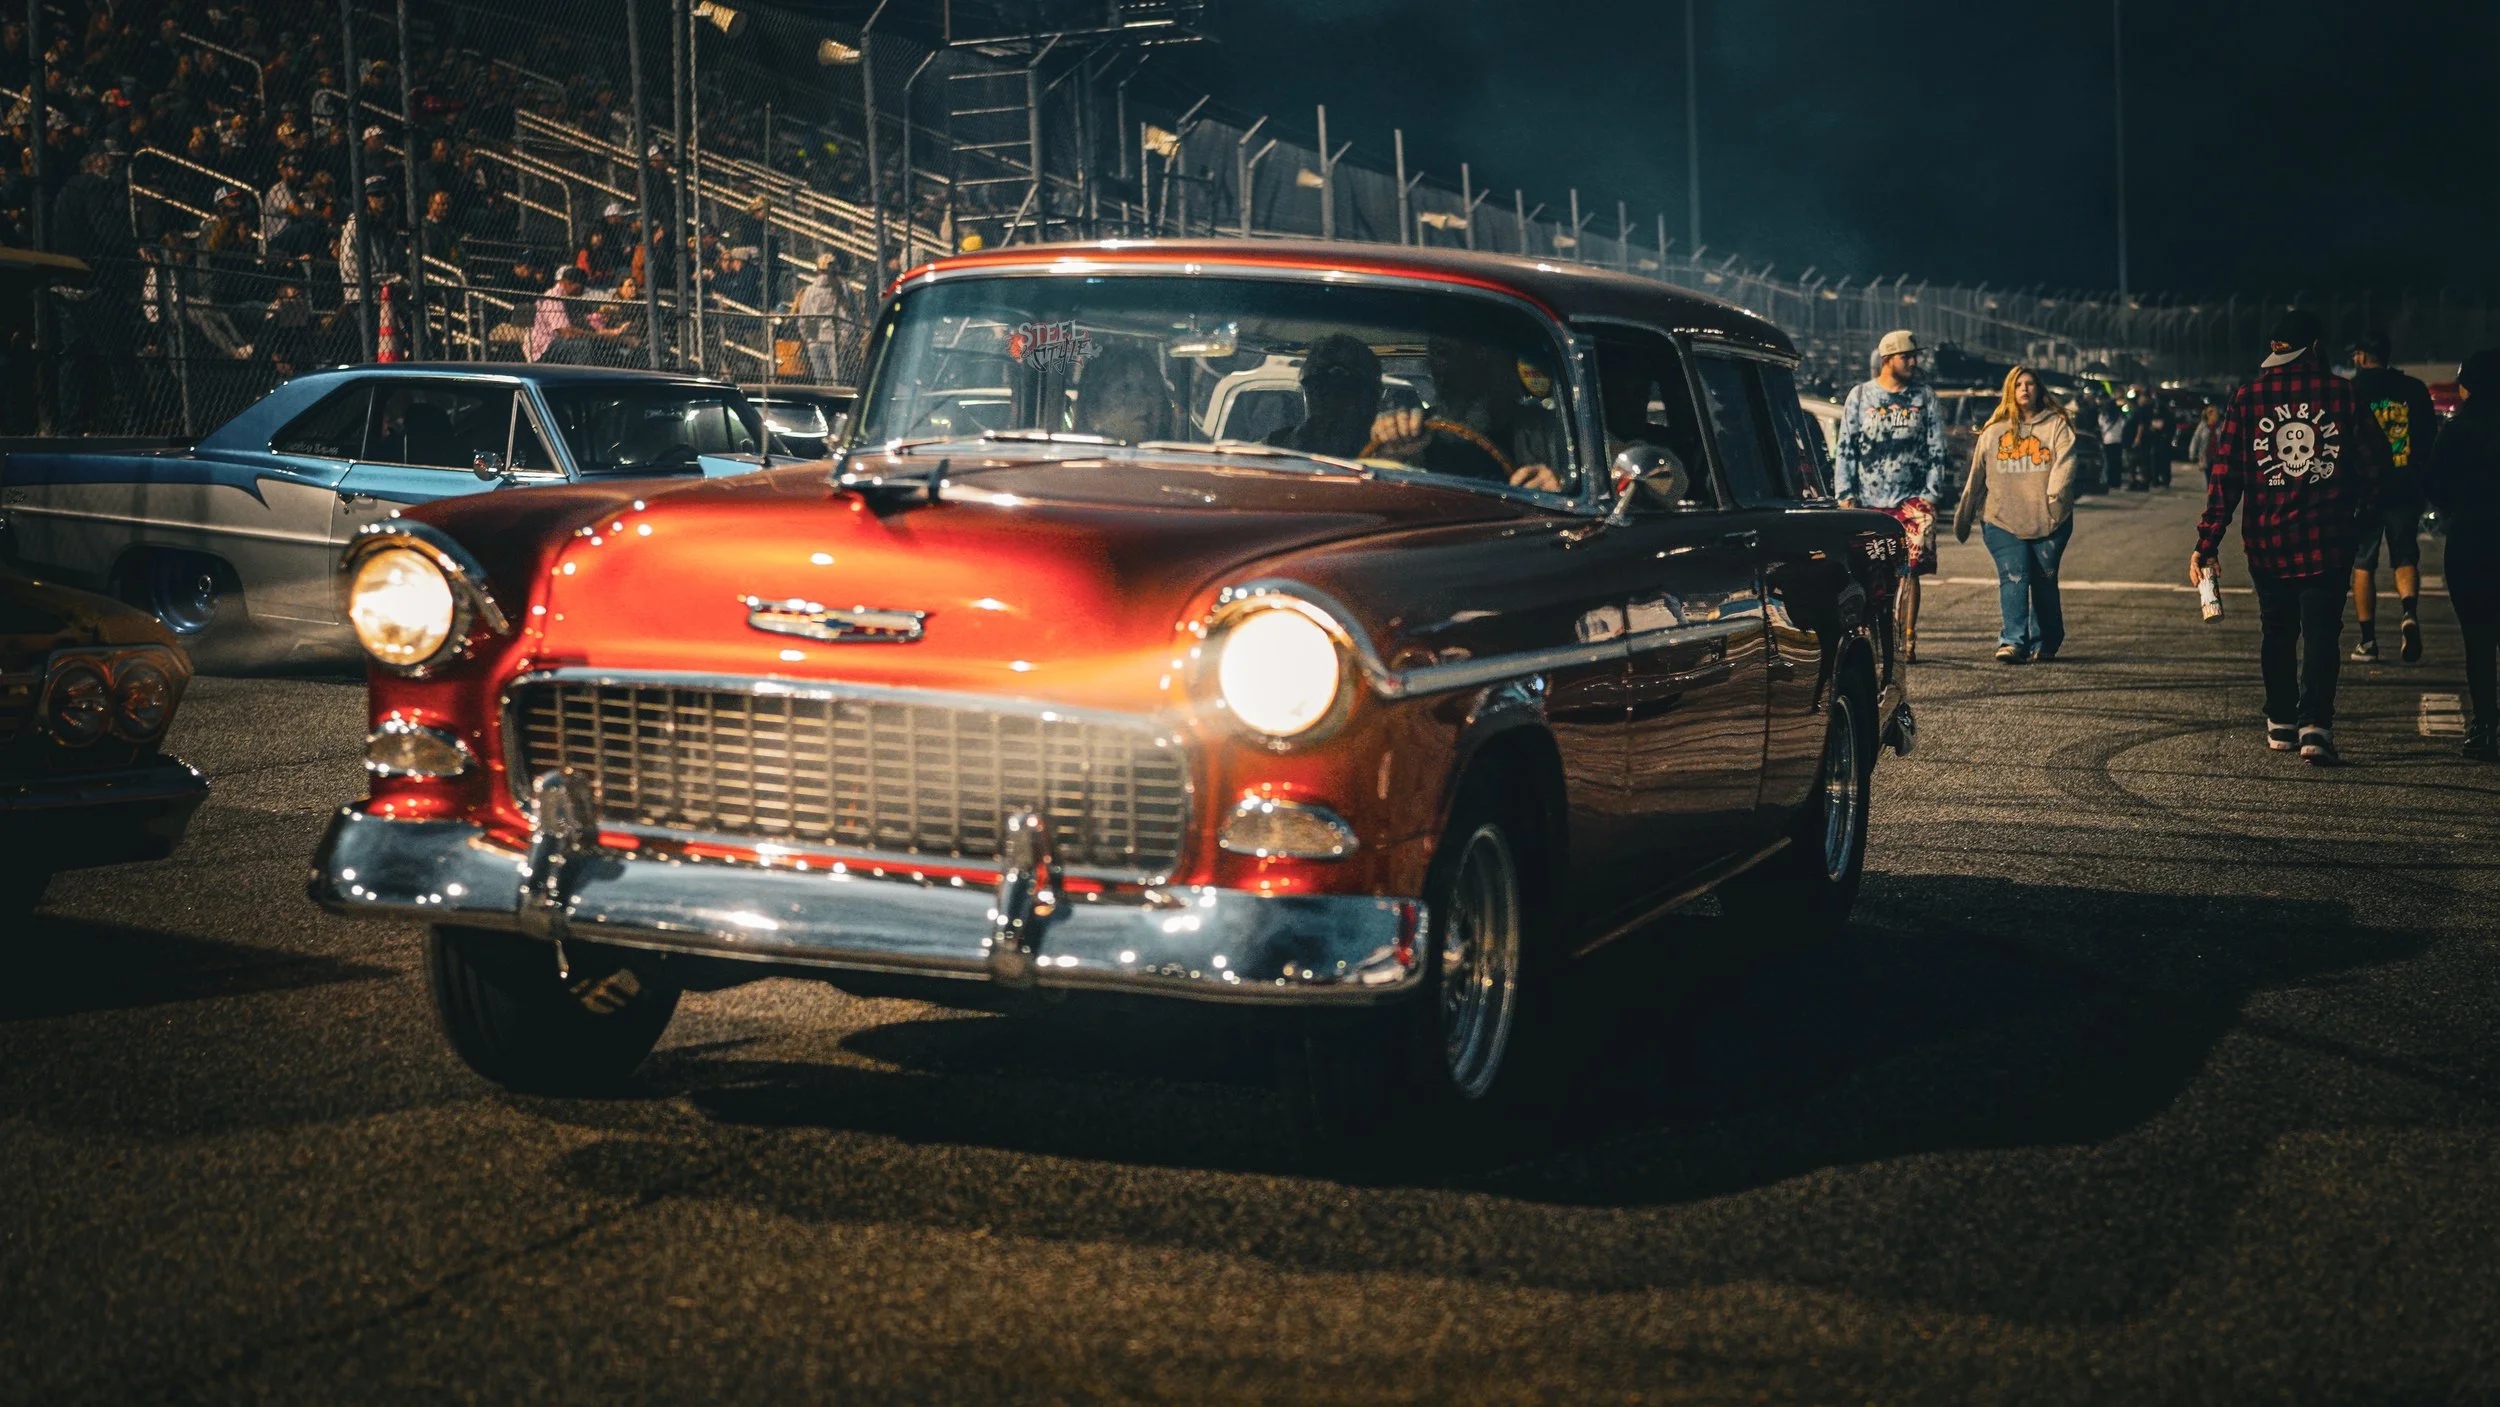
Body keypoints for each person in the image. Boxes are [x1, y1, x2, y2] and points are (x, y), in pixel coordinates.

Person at [2190, 310, 2393, 766]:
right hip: (2329, 540)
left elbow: (2225, 478)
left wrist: (2208, 540)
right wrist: (2360, 516)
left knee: (2277, 632)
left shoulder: (2247, 397)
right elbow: (2378, 466)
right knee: (2322, 634)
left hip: (2267, 542)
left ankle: (2280, 721)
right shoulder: (2343, 395)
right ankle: (2315, 728)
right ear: (2317, 347)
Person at [1834, 329, 1949, 659]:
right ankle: (1876, 639)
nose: (1913, 361)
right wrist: (1846, 494)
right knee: (1870, 574)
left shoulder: (1924, 396)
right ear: (1887, 360)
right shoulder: (1860, 396)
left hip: (1912, 501)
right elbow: (1847, 449)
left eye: (1914, 356)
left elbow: (1936, 448)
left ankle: (1906, 640)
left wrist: (1931, 494)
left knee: (1910, 570)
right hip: (1869, 503)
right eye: (1906, 356)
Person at [1953, 365, 2078, 664]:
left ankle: (2046, 640)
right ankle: (2012, 641)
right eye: (2018, 384)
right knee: (2015, 575)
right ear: (2010, 390)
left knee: (2045, 581)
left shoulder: (2057, 425)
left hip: (2049, 519)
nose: (2025, 389)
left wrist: (2054, 495)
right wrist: (1965, 515)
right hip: (2002, 520)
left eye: (2031, 383)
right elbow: (1976, 476)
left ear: (2039, 389)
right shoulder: (1994, 431)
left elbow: (2066, 462)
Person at [2423, 348, 2500, 760]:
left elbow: (2433, 483)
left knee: (2479, 637)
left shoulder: (2458, 429)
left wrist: (2454, 509)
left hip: (2472, 538)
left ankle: (2485, 724)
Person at [2346, 332, 2441, 664]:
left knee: (2363, 563)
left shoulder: (2351, 390)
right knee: (2404, 557)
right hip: (2404, 487)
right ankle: (2408, 613)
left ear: (2361, 357)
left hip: (2363, 491)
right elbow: (2429, 440)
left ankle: (2368, 641)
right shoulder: (2413, 389)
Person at [1366, 335, 1565, 491]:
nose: (1442, 367)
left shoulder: (1549, 432)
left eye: (1483, 353)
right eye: (1438, 353)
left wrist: (1558, 485)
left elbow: (1584, 486)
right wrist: (1390, 456)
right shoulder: (1411, 432)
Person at [1264, 333, 1382, 459]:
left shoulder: (1389, 446)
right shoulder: (1271, 450)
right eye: (1315, 383)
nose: (1322, 395)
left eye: (1341, 384)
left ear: (1368, 395)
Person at [1071, 343, 1174, 442]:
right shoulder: (1068, 458)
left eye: (1149, 390)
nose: (1141, 400)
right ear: (1093, 405)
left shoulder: (1180, 458)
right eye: (1125, 389)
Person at [526, 264, 601, 363]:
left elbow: (580, 324)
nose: (582, 291)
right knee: (582, 345)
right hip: (543, 348)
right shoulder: (554, 297)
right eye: (580, 287)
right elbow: (567, 332)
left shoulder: (567, 297)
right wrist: (597, 335)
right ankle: (582, 377)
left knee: (597, 344)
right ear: (568, 283)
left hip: (558, 343)